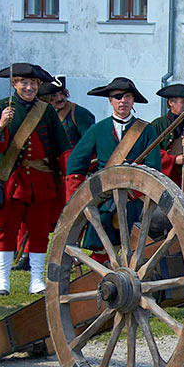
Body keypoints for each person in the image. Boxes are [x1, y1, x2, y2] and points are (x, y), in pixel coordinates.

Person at [0, 63, 71, 295]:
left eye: (33, 83)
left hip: (42, 181)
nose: (29, 87)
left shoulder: (47, 110)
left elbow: (62, 147)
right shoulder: (0, 107)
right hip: (11, 180)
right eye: (24, 82)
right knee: (7, 228)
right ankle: (2, 280)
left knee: (39, 230)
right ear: (14, 84)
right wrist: (1, 124)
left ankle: (36, 280)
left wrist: (72, 173)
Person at [65, 77, 161, 260]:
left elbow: (154, 167)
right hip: (105, 200)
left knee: (137, 251)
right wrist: (82, 195)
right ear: (110, 100)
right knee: (101, 251)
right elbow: (75, 163)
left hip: (135, 199)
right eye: (117, 97)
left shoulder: (147, 130)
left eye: (127, 96)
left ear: (133, 100)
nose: (123, 101)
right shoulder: (97, 129)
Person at [151, 83, 184, 199]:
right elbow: (151, 154)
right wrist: (173, 159)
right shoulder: (158, 125)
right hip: (165, 181)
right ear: (171, 102)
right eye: (183, 102)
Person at [37, 76, 96, 147]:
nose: (60, 98)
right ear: (44, 99)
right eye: (54, 96)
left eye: (62, 93)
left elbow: (91, 143)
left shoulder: (79, 113)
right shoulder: (42, 113)